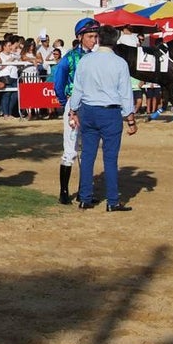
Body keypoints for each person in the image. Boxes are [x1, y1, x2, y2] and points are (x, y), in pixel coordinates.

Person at [66, 25, 137, 212]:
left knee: (88, 155)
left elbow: (78, 88)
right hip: (110, 112)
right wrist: (130, 118)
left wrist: (73, 110)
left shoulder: (86, 60)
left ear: (98, 39)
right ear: (115, 41)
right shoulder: (119, 63)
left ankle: (85, 197)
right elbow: (125, 93)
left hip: (88, 110)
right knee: (110, 158)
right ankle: (112, 201)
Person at [52, 18, 101, 205]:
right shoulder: (70, 58)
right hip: (74, 106)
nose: (94, 40)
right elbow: (59, 82)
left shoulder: (97, 57)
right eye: (90, 37)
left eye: (95, 36)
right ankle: (64, 192)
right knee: (71, 148)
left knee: (87, 149)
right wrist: (65, 103)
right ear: (80, 37)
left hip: (92, 106)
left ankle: (84, 191)